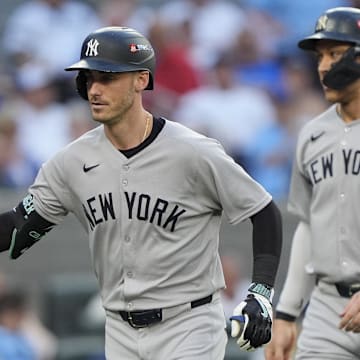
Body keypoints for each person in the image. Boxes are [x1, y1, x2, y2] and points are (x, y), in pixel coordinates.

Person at [0, 26, 282, 359]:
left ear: (141, 80)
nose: (95, 89)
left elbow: (264, 212)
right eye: (89, 78)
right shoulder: (70, 161)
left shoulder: (193, 151)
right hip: (118, 330)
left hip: (188, 324)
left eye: (107, 77)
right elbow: (19, 227)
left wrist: (260, 291)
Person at [265, 7, 360, 360]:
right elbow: (308, 225)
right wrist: (287, 313)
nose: (323, 66)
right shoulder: (312, 134)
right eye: (321, 55)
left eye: (335, 53)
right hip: (326, 308)